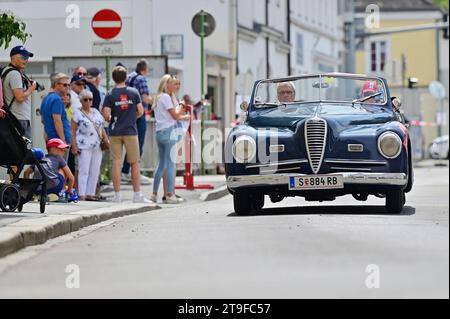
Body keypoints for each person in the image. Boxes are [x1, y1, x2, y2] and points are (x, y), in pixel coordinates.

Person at [101, 66, 151, 204]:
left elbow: (106, 114)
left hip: (115, 131)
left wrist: (113, 118)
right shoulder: (134, 92)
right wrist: (131, 117)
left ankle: (117, 196)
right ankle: (137, 195)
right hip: (130, 131)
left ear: (113, 78)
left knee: (116, 163)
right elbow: (141, 111)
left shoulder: (110, 94)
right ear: (126, 77)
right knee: (134, 163)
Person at [151, 74, 190, 204]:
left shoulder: (158, 97)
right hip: (168, 132)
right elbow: (175, 116)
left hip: (159, 132)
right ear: (166, 84)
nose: (175, 85)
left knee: (161, 164)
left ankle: (154, 194)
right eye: (173, 83)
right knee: (171, 164)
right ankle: (169, 194)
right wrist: (184, 115)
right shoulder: (166, 97)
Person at [121, 59, 153, 184]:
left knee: (130, 143)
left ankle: (125, 171)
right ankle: (134, 172)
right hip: (139, 115)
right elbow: (145, 98)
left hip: (128, 114)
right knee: (138, 144)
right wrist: (155, 101)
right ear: (145, 69)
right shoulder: (141, 79)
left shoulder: (129, 77)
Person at [71, 90, 107, 201]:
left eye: (90, 99)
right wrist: (74, 146)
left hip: (97, 145)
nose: (88, 101)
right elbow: (72, 131)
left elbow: (101, 127)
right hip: (83, 145)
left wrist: (106, 139)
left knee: (95, 170)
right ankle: (82, 194)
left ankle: (90, 193)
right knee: (84, 170)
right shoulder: (77, 113)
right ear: (81, 101)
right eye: (85, 99)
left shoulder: (96, 111)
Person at [0, 45, 37, 138]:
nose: (26, 60)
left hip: (13, 118)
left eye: (27, 58)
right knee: (24, 150)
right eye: (23, 57)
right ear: (13, 57)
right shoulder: (14, 74)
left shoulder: (6, 71)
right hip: (19, 119)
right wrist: (31, 89)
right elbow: (19, 97)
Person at [40, 73, 72, 160]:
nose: (67, 87)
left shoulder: (46, 98)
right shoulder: (57, 99)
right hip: (58, 141)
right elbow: (57, 121)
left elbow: (43, 120)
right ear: (56, 84)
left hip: (51, 139)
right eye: (65, 85)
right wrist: (63, 141)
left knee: (55, 168)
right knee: (61, 169)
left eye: (68, 85)